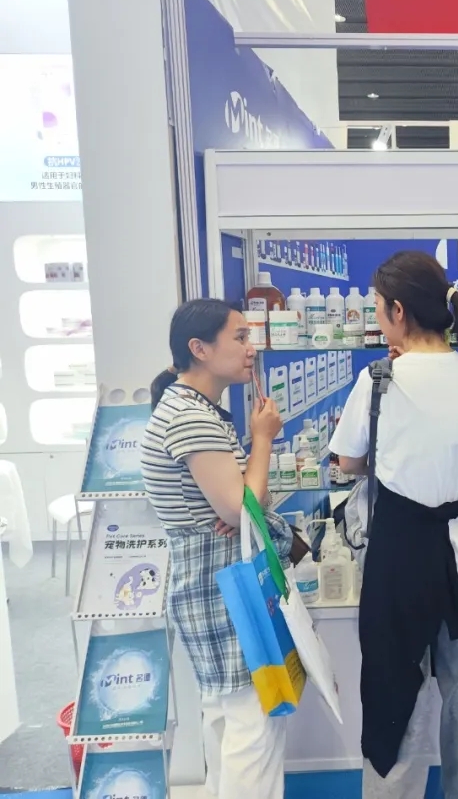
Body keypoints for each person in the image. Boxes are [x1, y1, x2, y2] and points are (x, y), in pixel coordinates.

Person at [329, 251, 458, 799]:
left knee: (396, 701)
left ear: (398, 311)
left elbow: (348, 462)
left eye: (378, 307)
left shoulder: (378, 381)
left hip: (402, 566)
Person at [140, 299, 296, 799]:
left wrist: (241, 501)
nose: (251, 349)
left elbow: (243, 503)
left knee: (231, 720)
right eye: (240, 337)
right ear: (199, 348)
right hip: (223, 590)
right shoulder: (191, 416)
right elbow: (240, 508)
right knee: (253, 725)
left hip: (213, 584)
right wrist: (262, 440)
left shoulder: (195, 410)